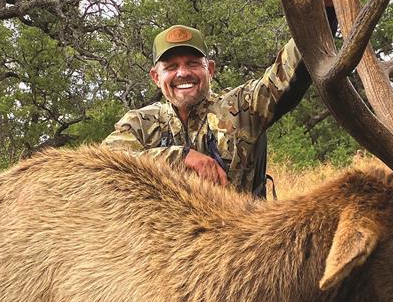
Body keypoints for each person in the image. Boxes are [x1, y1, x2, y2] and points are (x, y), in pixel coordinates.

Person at [102, 23, 319, 197]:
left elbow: (287, 72)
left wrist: (320, 12)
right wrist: (181, 157)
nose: (183, 73)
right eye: (171, 67)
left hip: (241, 234)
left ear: (211, 70)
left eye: (193, 63)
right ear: (156, 77)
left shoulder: (243, 107)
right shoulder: (140, 123)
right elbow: (103, 164)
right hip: (161, 239)